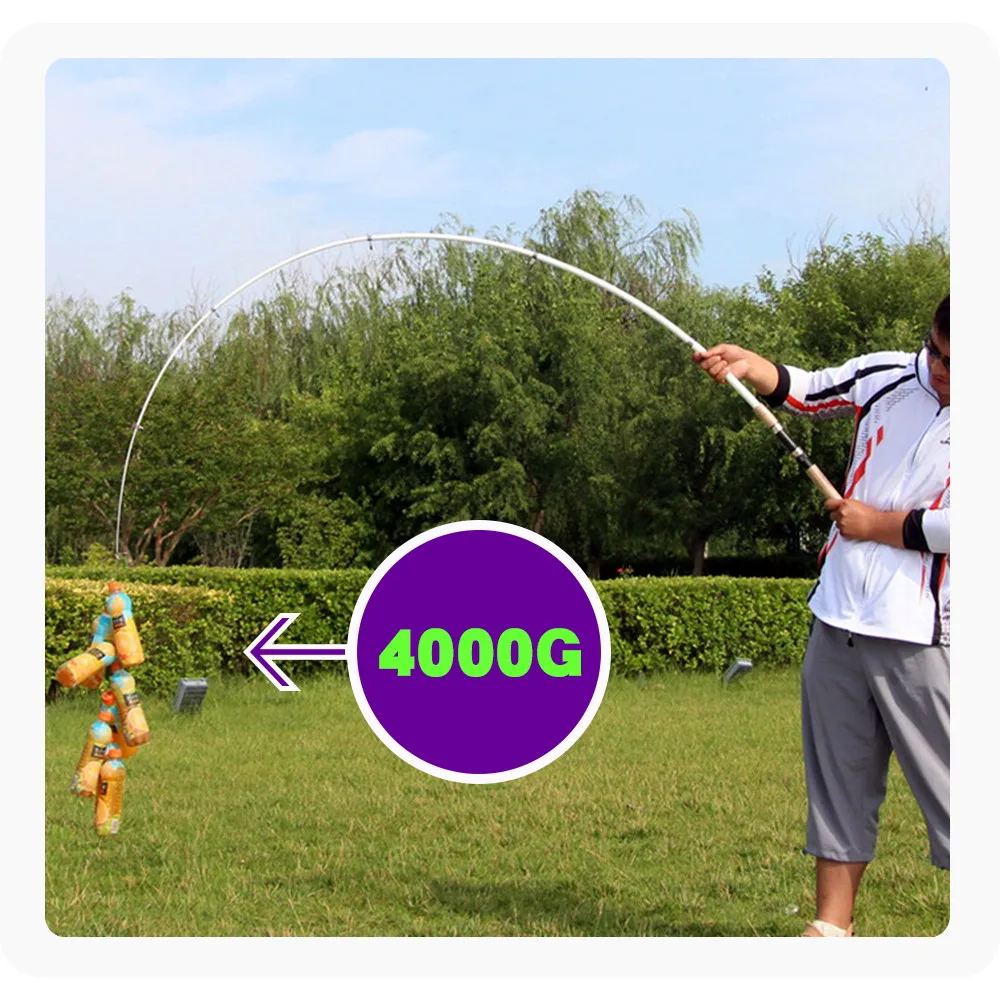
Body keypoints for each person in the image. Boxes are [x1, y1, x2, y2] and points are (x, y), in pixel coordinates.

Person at [693, 294, 950, 937]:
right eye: (938, 353)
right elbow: (807, 390)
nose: (941, 371)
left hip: (928, 634)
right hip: (837, 617)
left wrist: (880, 525)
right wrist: (753, 367)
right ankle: (832, 929)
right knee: (839, 778)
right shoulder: (888, 374)